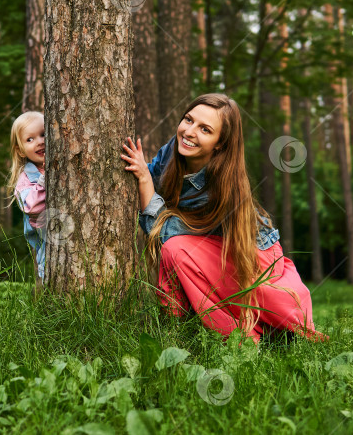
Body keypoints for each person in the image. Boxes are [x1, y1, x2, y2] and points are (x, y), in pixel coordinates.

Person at [120, 93, 325, 344]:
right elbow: (152, 180)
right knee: (176, 253)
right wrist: (144, 175)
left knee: (174, 250)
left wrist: (143, 180)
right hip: (210, 250)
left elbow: (161, 230)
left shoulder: (220, 187)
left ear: (219, 143)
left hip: (252, 256)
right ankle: (176, 332)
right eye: (188, 119)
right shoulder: (172, 151)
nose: (189, 132)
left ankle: (242, 339)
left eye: (205, 129)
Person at [6, 111, 47, 280]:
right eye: (30, 139)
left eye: (43, 134)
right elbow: (32, 207)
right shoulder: (25, 180)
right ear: (21, 151)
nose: (40, 142)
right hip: (47, 242)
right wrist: (45, 179)